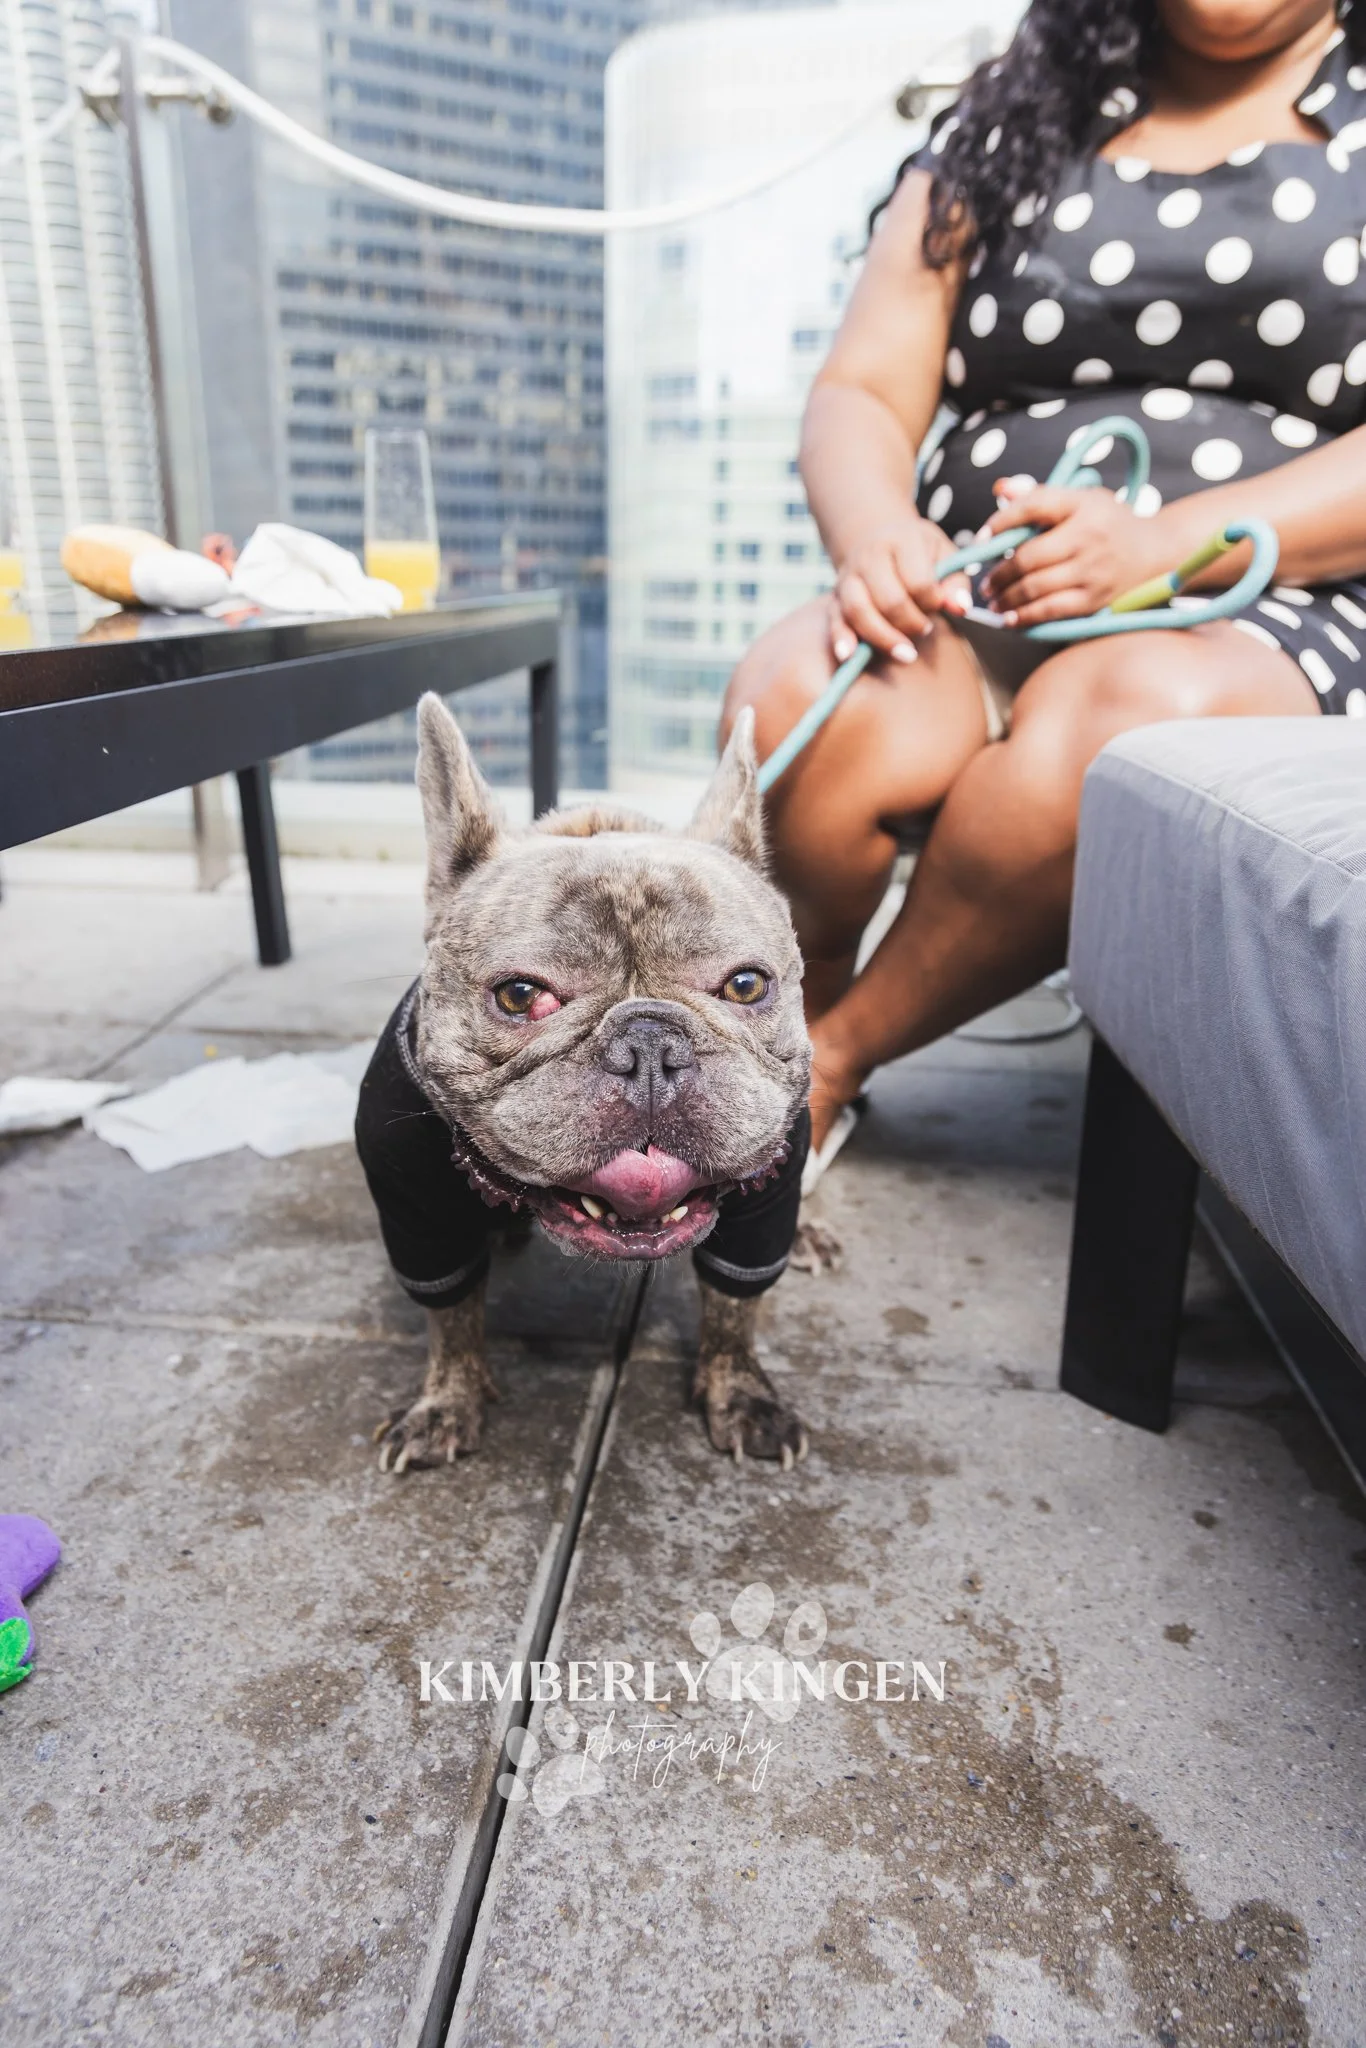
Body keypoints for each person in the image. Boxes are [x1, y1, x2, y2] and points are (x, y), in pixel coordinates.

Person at [723, 0, 1366, 1164]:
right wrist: (877, 533)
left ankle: (829, 1060)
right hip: (982, 589)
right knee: (802, 694)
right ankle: (765, 1039)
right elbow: (861, 389)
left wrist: (1168, 544)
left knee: (1124, 718)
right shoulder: (1005, 123)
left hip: (1275, 605)